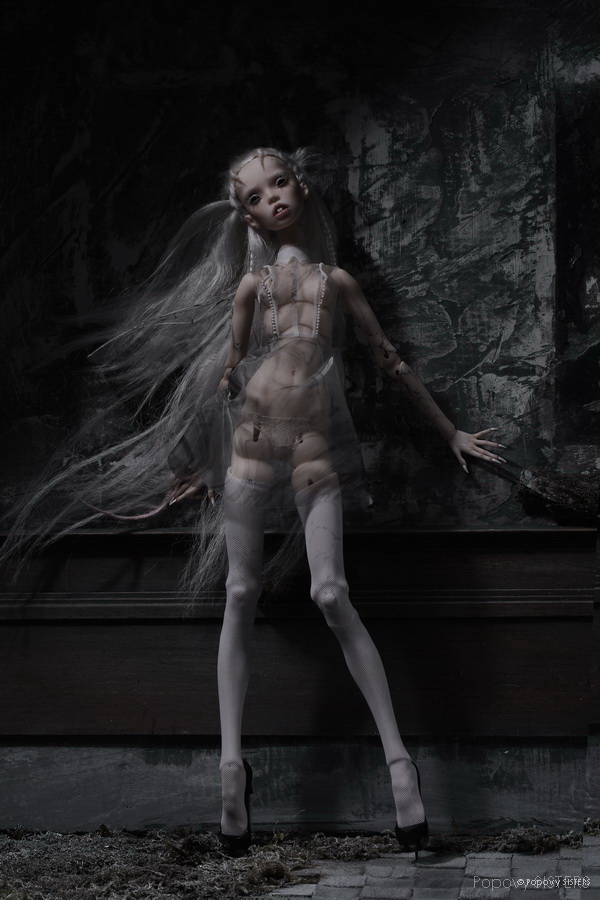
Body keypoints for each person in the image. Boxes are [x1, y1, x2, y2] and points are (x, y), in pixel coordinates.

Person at [3, 146, 505, 860]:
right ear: (247, 217)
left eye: (279, 183)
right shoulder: (250, 290)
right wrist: (203, 462)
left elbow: (390, 361)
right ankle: (231, 771)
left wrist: (449, 430)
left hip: (316, 448)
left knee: (331, 594)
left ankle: (399, 763)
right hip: (249, 447)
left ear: (301, 185)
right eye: (254, 196)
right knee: (239, 591)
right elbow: (227, 380)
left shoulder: (336, 282)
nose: (272, 198)